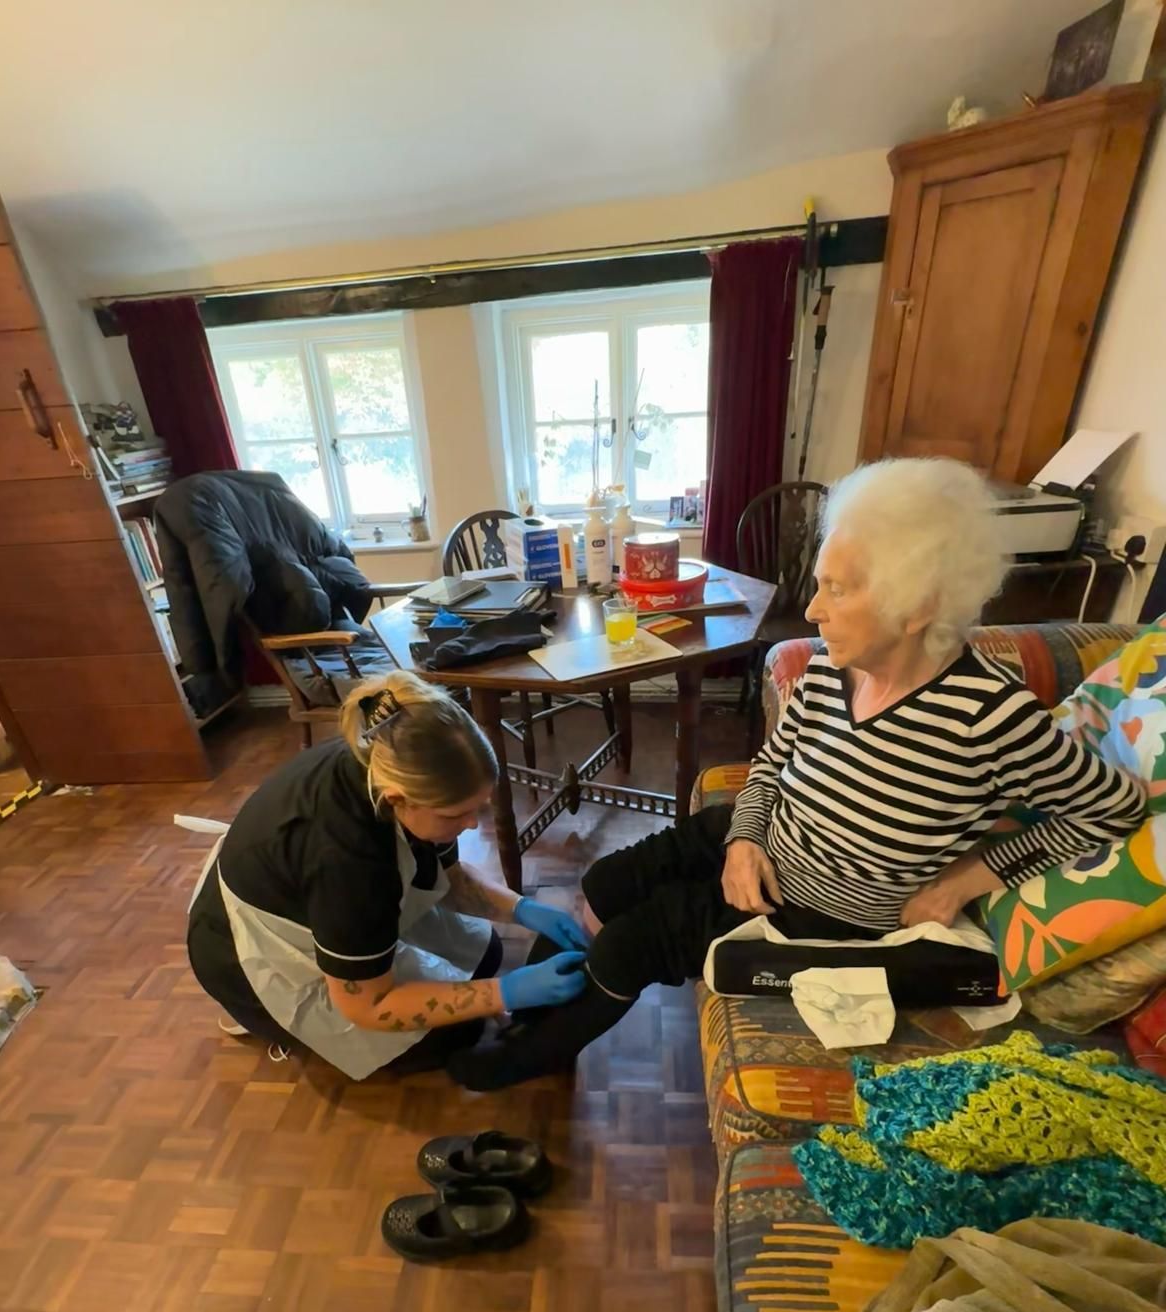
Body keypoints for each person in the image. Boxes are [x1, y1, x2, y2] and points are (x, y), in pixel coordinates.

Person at [448, 457, 1146, 1091]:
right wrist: (745, 841)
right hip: (769, 841)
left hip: (826, 908)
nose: (813, 610)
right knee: (604, 881)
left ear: (921, 605)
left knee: (637, 941)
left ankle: (525, 1056)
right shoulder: (826, 671)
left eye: (838, 591)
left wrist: (971, 877)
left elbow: (1111, 809)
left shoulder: (989, 716)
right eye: (820, 585)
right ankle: (538, 1006)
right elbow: (771, 768)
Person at [186, 671, 589, 1079]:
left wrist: (523, 910)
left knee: (486, 956)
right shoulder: (346, 859)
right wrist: (505, 992)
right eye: (456, 815)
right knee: (456, 1032)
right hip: (245, 953)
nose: (471, 824)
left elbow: (451, 879)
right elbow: (367, 1005)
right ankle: (259, 1017)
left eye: (477, 808)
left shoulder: (389, 760)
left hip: (311, 896)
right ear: (397, 799)